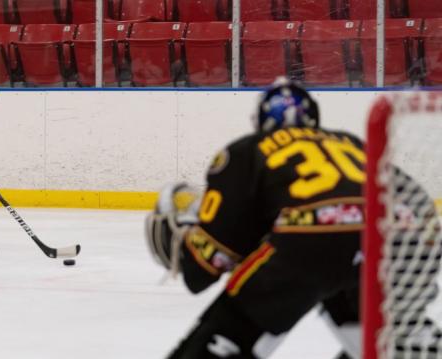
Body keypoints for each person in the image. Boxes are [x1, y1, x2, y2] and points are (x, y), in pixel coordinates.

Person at [145, 79, 365, 358]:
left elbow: (201, 273)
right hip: (386, 242)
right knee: (374, 340)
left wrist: (191, 242)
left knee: (213, 342)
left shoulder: (247, 150)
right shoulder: (353, 143)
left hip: (303, 248)